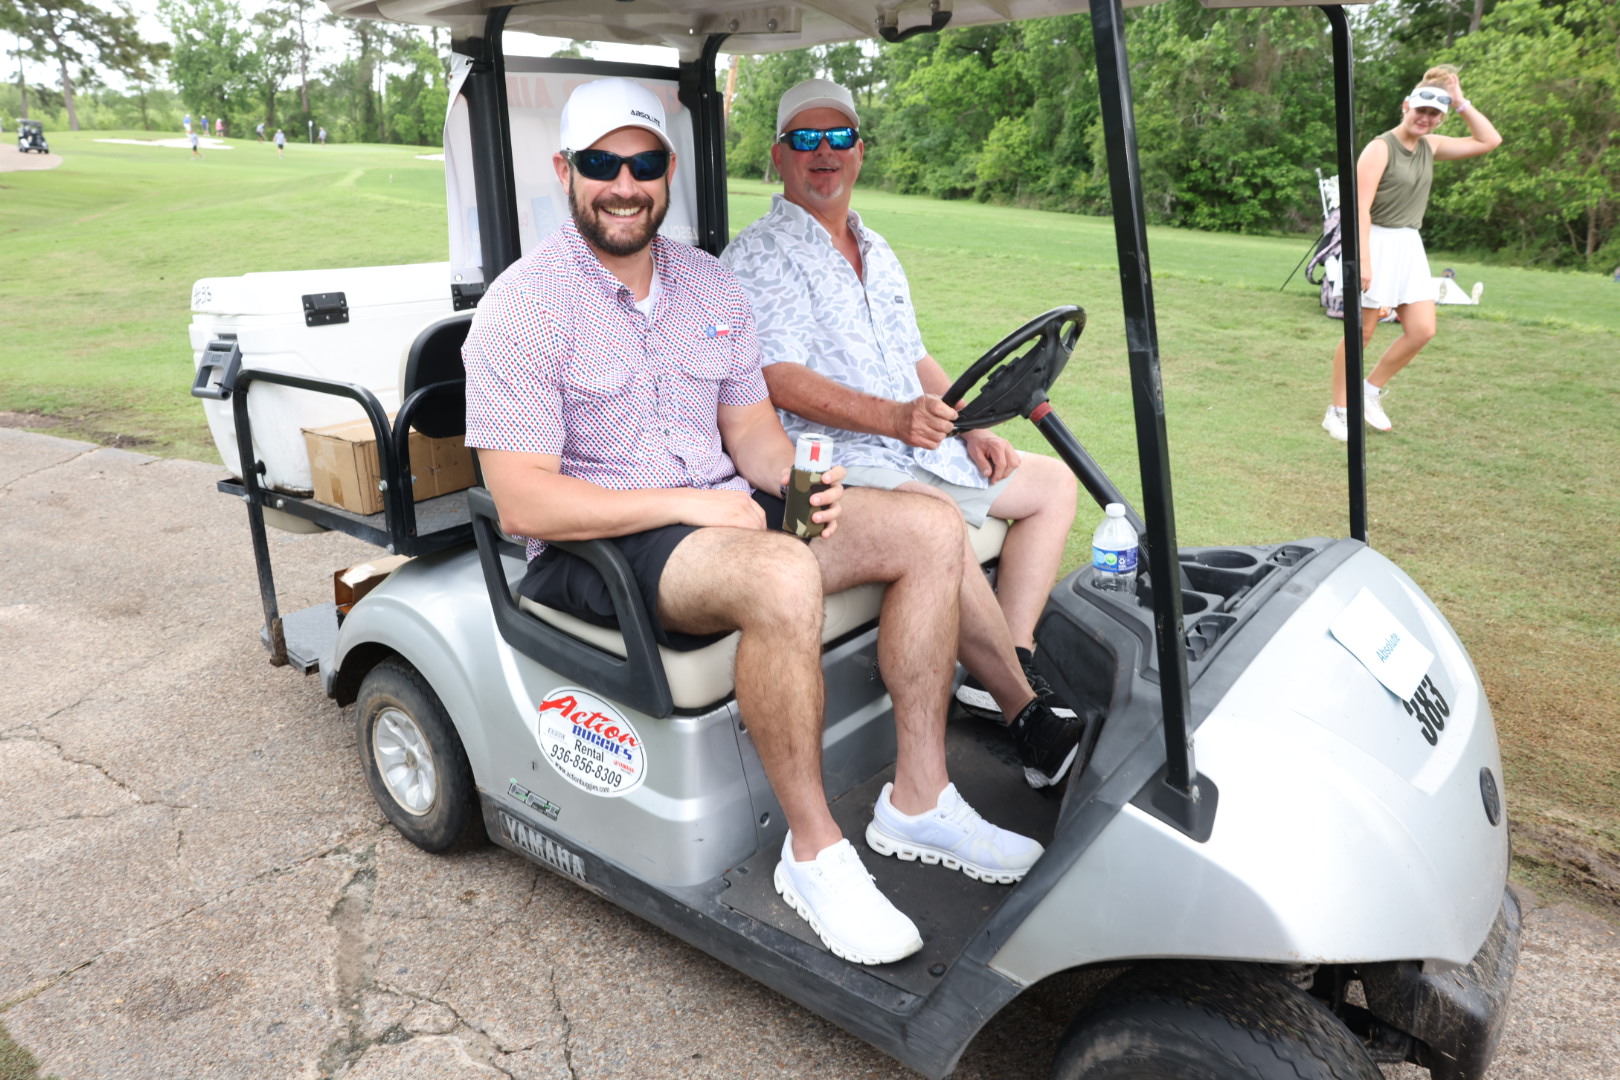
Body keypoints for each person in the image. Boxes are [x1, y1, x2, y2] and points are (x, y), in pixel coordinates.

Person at [463, 78, 1043, 967]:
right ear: (565, 169)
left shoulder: (708, 286)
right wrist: (689, 504)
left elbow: (754, 438)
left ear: (669, 172)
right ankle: (813, 852)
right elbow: (526, 502)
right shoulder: (523, 308)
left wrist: (803, 479)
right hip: (600, 544)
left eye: (644, 164)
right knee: (783, 572)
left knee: (928, 528)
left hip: (724, 513)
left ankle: (919, 800)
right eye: (602, 164)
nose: (624, 184)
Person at [722, 78, 1084, 789]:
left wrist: (968, 422)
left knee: (1052, 485)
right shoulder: (761, 255)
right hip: (834, 460)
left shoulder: (876, 247)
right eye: (805, 140)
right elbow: (777, 377)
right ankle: (1023, 709)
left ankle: (1006, 660)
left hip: (910, 443)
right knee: (936, 519)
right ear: (778, 156)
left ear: (859, 151)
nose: (823, 153)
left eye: (838, 138)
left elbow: (912, 355)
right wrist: (893, 418)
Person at [1322, 65, 1501, 440]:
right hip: (1374, 241)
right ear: (1406, 106)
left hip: (1409, 244)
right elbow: (1360, 209)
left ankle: (1368, 391)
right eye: (1421, 110)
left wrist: (1461, 101)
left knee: (1422, 330)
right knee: (1361, 333)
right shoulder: (1379, 147)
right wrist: (1364, 260)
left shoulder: (1430, 146)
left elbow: (1489, 140)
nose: (1426, 118)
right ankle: (1338, 410)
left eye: (1435, 113)